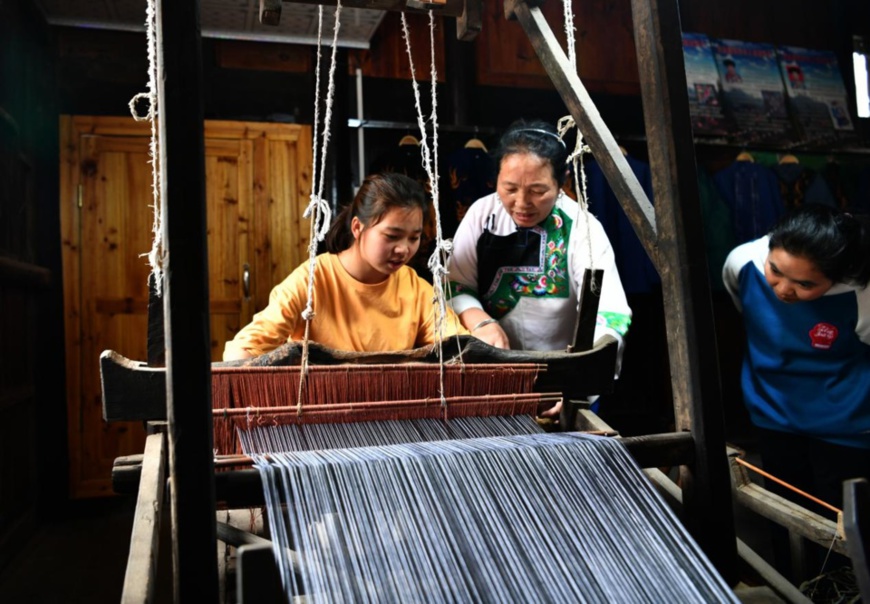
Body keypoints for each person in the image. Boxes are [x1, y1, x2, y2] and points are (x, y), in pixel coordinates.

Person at [722, 204, 870, 574]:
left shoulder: (862, 291)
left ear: (835, 279)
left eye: (805, 284)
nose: (784, 290)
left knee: (841, 523)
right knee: (784, 509)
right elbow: (748, 312)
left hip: (847, 425)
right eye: (776, 271)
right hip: (774, 413)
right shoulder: (742, 263)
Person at [223, 172, 468, 360]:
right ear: (357, 228)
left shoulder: (415, 288)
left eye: (413, 238)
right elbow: (243, 350)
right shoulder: (311, 281)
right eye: (392, 236)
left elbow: (460, 348)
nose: (404, 249)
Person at [446, 118, 632, 358]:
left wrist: (586, 360)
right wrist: (482, 323)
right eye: (510, 188)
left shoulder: (581, 227)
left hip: (564, 371)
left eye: (538, 191)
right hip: (493, 370)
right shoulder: (481, 216)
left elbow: (609, 310)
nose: (522, 203)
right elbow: (456, 285)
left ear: (562, 180)